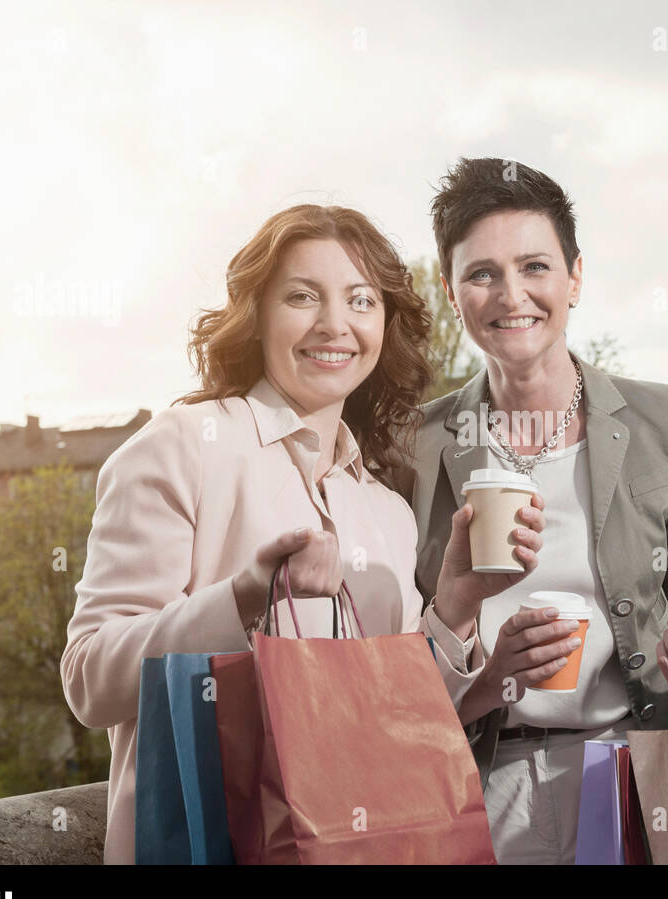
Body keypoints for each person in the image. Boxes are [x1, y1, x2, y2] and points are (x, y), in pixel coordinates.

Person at [62, 204, 545, 864]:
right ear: (256, 315)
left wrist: (459, 607)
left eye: (361, 300)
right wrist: (241, 600)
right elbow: (89, 681)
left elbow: (391, 718)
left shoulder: (385, 507)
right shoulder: (181, 447)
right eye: (301, 297)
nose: (335, 325)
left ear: (385, 325)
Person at [394, 157, 668, 864]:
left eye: (535, 266)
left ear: (575, 277)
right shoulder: (413, 446)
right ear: (451, 292)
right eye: (482, 274)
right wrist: (488, 673)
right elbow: (394, 655)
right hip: (480, 789)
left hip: (640, 778)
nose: (512, 295)